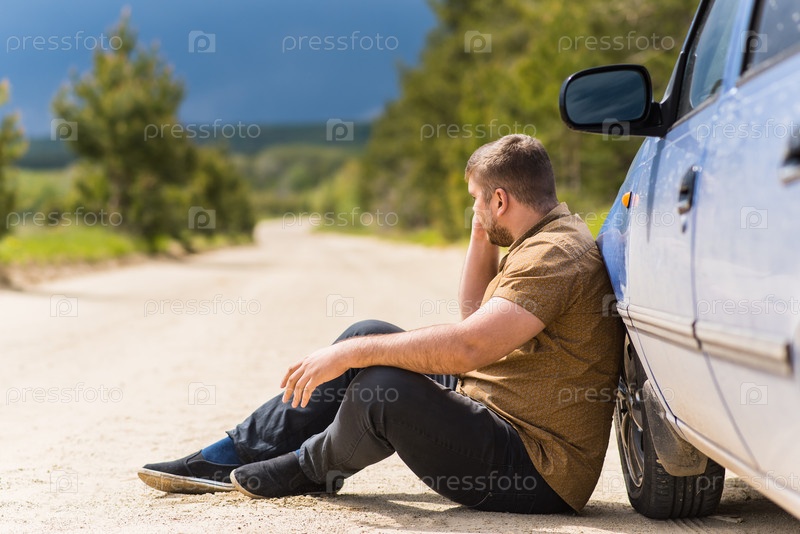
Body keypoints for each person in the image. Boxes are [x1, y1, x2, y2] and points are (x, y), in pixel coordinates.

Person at [138, 134, 624, 514]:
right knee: (366, 332)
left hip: (535, 469)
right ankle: (235, 451)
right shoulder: (542, 236)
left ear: (500, 200)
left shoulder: (553, 255)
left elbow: (470, 346)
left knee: (380, 385)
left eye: (477, 200)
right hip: (497, 414)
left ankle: (309, 468)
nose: (473, 210)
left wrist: (351, 355)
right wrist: (482, 231)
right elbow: (477, 312)